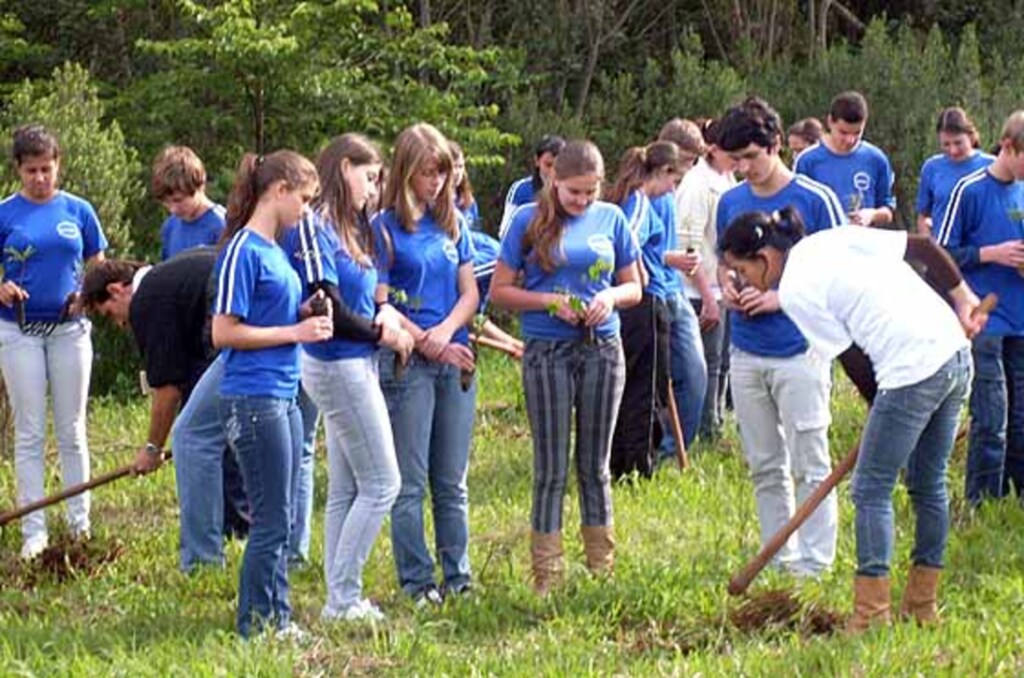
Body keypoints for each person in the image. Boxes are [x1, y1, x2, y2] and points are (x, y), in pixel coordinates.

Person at [719, 208, 982, 631]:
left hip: (912, 367)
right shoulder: (828, 240)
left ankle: (871, 614)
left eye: (739, 270)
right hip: (953, 353)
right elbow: (924, 247)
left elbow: (852, 358)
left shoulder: (796, 291)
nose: (741, 281)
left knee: (871, 487)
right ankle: (921, 606)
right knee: (928, 483)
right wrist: (962, 296)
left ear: (765, 256)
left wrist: (880, 405)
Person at [490, 140, 642, 594]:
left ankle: (602, 567)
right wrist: (548, 301)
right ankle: (548, 575)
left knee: (595, 465)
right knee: (551, 465)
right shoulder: (526, 221)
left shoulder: (612, 219)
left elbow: (634, 286)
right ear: (553, 180)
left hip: (602, 348)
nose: (582, 201)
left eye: (591, 192)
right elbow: (499, 291)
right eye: (574, 192)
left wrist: (608, 298)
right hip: (547, 351)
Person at [282, 133, 415, 622]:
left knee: (346, 487)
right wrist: (384, 336)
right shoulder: (316, 227)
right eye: (369, 175)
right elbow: (328, 305)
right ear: (344, 169)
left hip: (355, 360)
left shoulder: (355, 227)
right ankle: (344, 597)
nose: (374, 187)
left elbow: (367, 298)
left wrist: (388, 318)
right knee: (383, 483)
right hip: (336, 362)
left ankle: (339, 596)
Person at [715, 96, 845, 577]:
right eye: (736, 160)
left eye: (751, 156)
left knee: (810, 459)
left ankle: (815, 563)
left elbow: (840, 277)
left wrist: (780, 298)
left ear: (775, 145)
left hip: (801, 348)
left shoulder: (815, 199)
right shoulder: (730, 201)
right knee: (764, 463)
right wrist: (728, 288)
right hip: (746, 349)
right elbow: (722, 261)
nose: (744, 168)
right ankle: (779, 557)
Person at [213, 150, 331, 638]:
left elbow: (272, 316)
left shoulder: (276, 251)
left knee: (280, 517)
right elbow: (224, 332)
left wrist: (303, 309)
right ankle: (257, 623)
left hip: (282, 392)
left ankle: (276, 615)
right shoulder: (243, 250)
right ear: (278, 190)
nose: (305, 210)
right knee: (270, 520)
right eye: (303, 199)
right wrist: (295, 334)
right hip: (254, 396)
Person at [81, 249, 252, 570]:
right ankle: (238, 530)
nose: (118, 323)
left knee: (194, 435)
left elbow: (167, 387)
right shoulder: (168, 282)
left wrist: (152, 448)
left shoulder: (149, 300)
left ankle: (207, 556)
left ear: (117, 289)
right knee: (213, 429)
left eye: (108, 312)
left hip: (234, 333)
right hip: (250, 329)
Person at [373, 123, 479, 606]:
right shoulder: (384, 229)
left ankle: (459, 575)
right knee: (410, 482)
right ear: (405, 171)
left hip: (455, 358)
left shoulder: (454, 222)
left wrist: (446, 334)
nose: (436, 182)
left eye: (442, 173)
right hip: (408, 363)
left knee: (451, 481)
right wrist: (425, 341)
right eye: (426, 173)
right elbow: (381, 302)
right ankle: (417, 580)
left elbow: (471, 292)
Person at [0, 124, 107, 561]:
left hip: (69, 328)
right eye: (32, 171)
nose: (40, 178)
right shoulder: (6, 213)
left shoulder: (79, 211)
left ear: (58, 165)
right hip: (17, 329)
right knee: (28, 430)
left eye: (47, 169)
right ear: (18, 170)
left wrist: (89, 296)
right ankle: (34, 529)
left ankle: (79, 523)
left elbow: (99, 265)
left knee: (72, 428)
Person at [937, 110, 1024, 503]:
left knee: (1020, 422)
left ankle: (1013, 501)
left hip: (1021, 321)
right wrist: (989, 253)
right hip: (984, 321)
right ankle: (980, 503)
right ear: (1008, 147)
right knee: (991, 420)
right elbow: (939, 255)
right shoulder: (969, 190)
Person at [604, 141, 683, 478]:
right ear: (663, 172)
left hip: (637, 304)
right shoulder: (637, 202)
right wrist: (638, 271)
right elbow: (622, 245)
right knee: (645, 388)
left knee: (635, 385)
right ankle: (636, 466)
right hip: (643, 305)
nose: (672, 189)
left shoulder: (629, 198)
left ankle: (622, 462)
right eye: (674, 181)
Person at [668, 117, 737, 441]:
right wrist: (708, 299)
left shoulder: (727, 177)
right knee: (704, 367)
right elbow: (688, 246)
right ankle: (702, 431)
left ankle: (716, 424)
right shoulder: (697, 184)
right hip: (697, 290)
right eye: (732, 152)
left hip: (722, 288)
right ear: (713, 149)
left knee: (722, 362)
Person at [655, 119, 708, 452]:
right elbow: (629, 249)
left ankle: (676, 446)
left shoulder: (673, 189)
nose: (689, 170)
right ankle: (664, 448)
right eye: (687, 161)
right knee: (671, 376)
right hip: (656, 292)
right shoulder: (643, 190)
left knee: (695, 373)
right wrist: (670, 258)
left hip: (674, 288)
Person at [794, 91, 896, 226]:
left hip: (863, 243)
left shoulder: (876, 159)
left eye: (857, 133)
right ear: (830, 122)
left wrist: (872, 215)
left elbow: (888, 210)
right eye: (843, 132)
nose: (850, 140)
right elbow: (797, 212)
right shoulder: (807, 161)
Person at [916, 107, 994, 237]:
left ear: (971, 137)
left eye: (958, 143)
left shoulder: (991, 165)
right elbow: (923, 215)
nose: (953, 150)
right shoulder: (931, 168)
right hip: (944, 248)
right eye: (946, 144)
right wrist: (930, 246)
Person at [152, 145, 226, 261]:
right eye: (166, 203)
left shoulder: (222, 226)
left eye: (178, 200)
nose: (173, 209)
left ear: (199, 187)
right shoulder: (170, 227)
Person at [499, 135, 566, 238]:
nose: (552, 172)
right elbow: (505, 231)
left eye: (557, 166)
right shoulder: (520, 189)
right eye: (548, 165)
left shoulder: (571, 192)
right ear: (537, 161)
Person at [450, 141, 481, 231]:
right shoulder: (435, 202)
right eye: (454, 166)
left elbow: (476, 231)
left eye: (460, 166)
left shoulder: (468, 200)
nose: (458, 172)